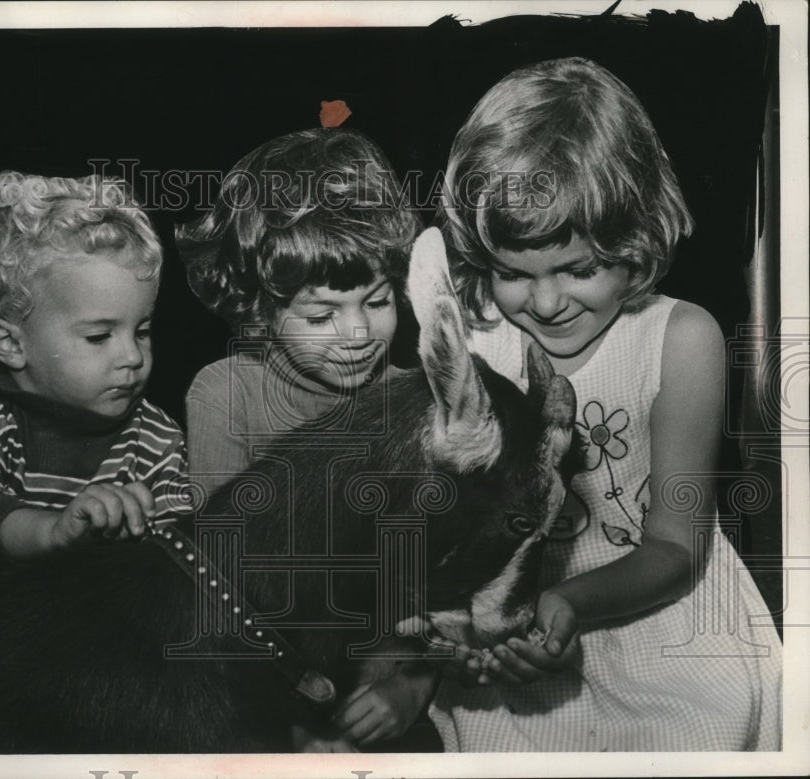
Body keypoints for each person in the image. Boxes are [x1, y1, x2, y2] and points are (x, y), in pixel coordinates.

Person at [427, 56, 781, 751]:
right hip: (510, 624)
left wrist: (566, 603)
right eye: (512, 273)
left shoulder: (681, 340)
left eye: (578, 269)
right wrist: (464, 629)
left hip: (662, 614)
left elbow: (676, 547)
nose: (547, 301)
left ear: (636, 241)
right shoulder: (472, 336)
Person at [177, 127, 436, 751]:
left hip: (386, 674)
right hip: (258, 683)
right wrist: (287, 726)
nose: (356, 335)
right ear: (260, 311)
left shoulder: (416, 399)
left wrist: (410, 689)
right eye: (321, 316)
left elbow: (432, 582)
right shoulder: (224, 396)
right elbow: (221, 588)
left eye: (376, 302)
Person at [0, 171, 190, 625]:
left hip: (63, 643)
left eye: (142, 331)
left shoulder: (157, 438)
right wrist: (55, 534)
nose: (132, 356)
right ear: (10, 344)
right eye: (99, 336)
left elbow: (177, 559)